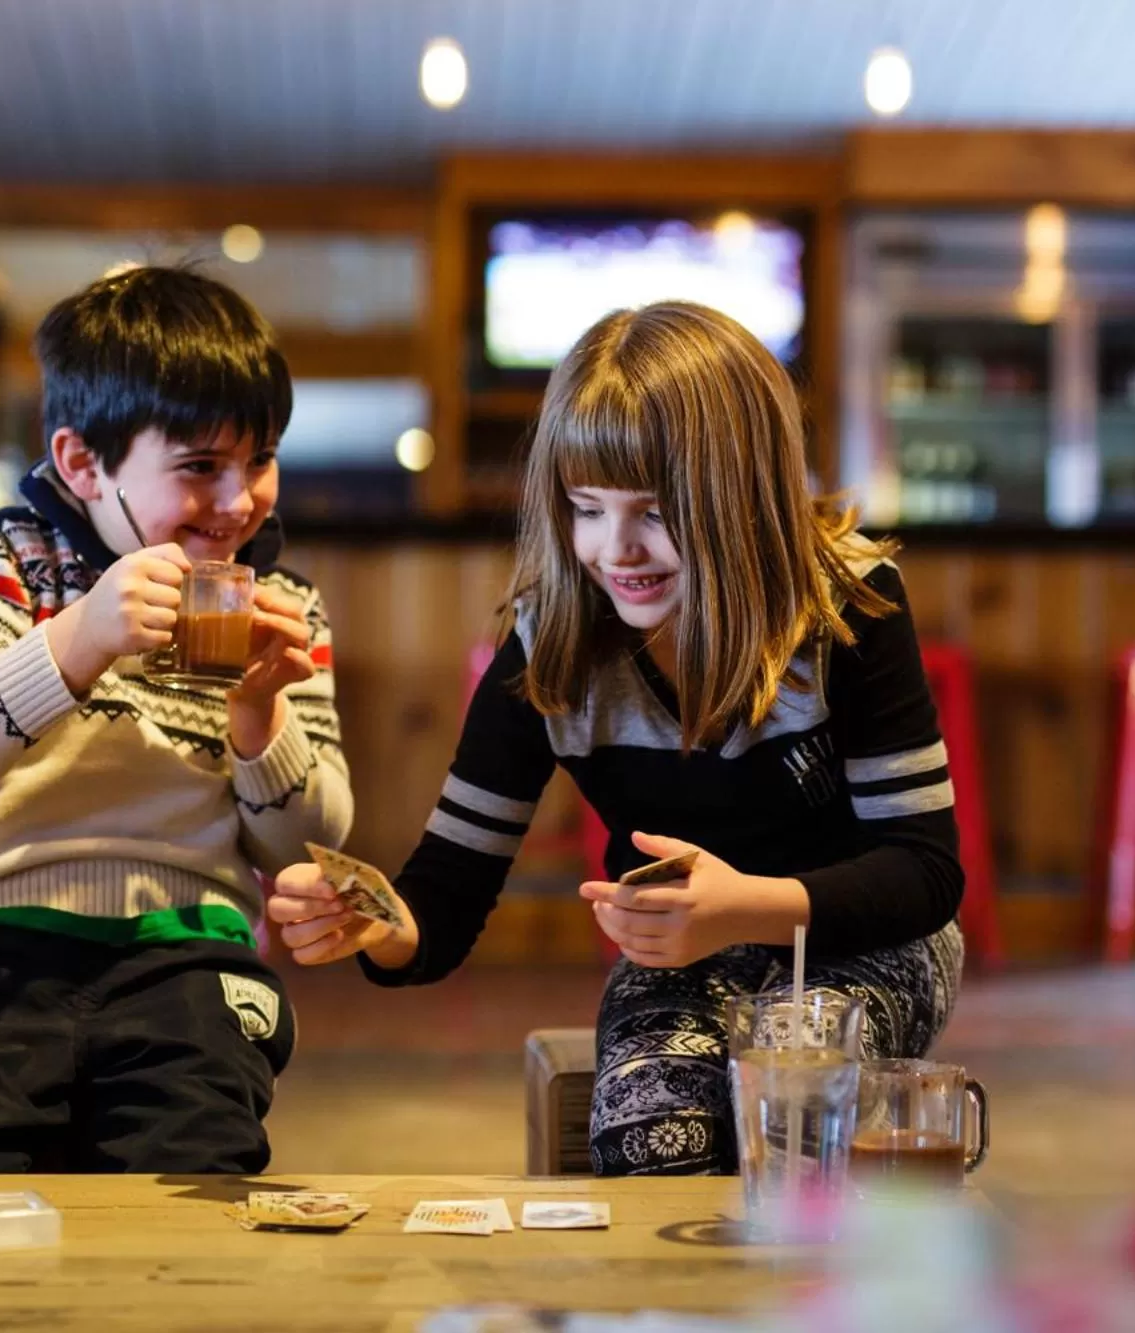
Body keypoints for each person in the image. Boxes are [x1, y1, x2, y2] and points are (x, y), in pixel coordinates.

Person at [269, 300, 962, 1175]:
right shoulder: (550, 638)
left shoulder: (851, 603)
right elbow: (446, 894)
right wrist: (372, 923)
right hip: (685, 950)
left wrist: (744, 904)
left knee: (792, 1130)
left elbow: (925, 873)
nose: (614, 548)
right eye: (585, 508)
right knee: (649, 1145)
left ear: (738, 496)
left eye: (655, 511)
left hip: (870, 937)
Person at [0, 265, 352, 1173]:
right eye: (201, 466)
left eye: (260, 459)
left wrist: (257, 710)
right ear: (83, 462)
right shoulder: (4, 555)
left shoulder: (285, 602)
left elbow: (305, 846)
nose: (240, 502)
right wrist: (78, 638)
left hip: (189, 958)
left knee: (192, 1189)